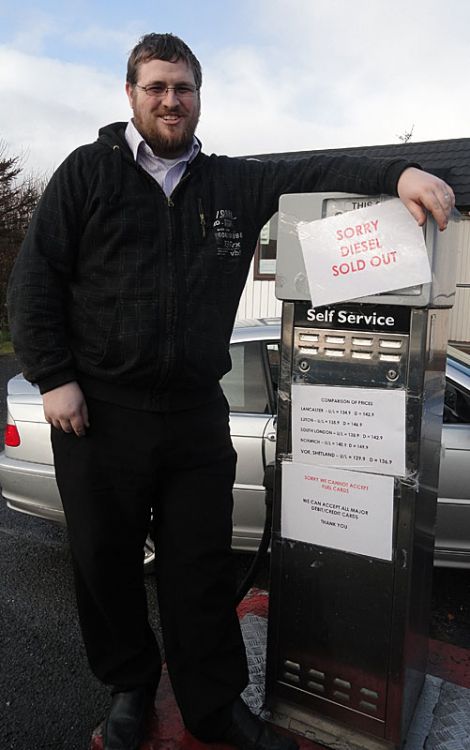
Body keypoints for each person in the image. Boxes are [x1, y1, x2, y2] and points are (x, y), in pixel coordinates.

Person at [7, 33, 455, 750]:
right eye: (155, 87)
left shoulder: (232, 184)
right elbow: (35, 280)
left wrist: (399, 169)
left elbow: (318, 164)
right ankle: (129, 687)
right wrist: (54, 377)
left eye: (182, 87)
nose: (169, 100)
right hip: (100, 416)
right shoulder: (87, 174)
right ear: (130, 94)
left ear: (198, 95)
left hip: (191, 417)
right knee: (106, 563)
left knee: (200, 569)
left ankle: (213, 705)